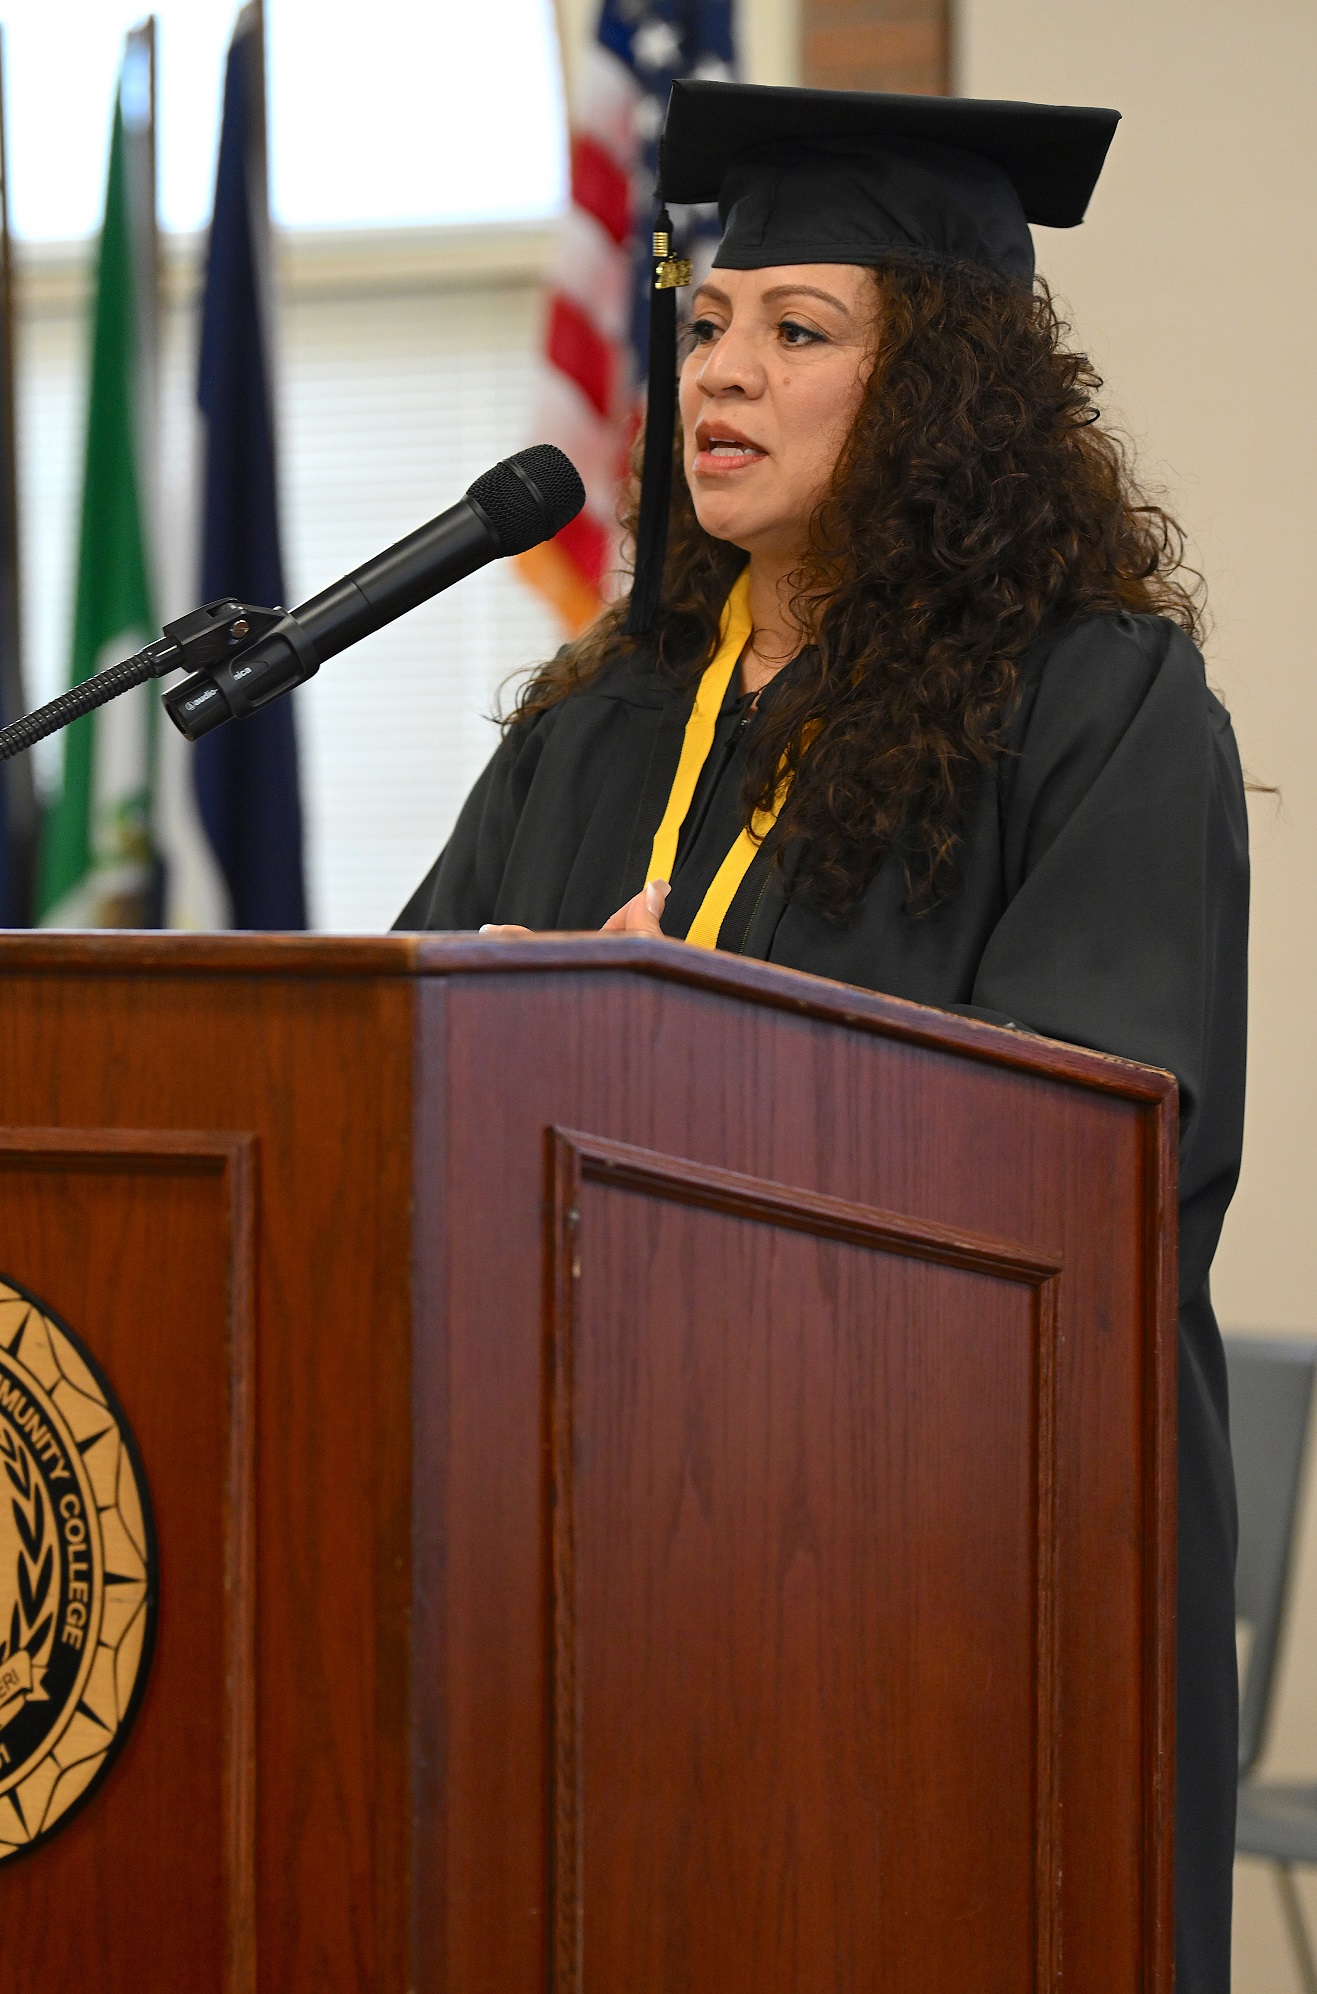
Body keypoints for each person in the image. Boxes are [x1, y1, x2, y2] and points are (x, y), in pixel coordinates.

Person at [398, 81, 1248, 1992]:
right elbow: (398, 1055)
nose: (725, 370)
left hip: (954, 1554)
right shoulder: (600, 718)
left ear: (938, 390)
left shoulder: (1098, 707)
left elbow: (1091, 1150)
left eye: (799, 332)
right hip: (612, 1539)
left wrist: (682, 1064)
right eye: (706, 323)